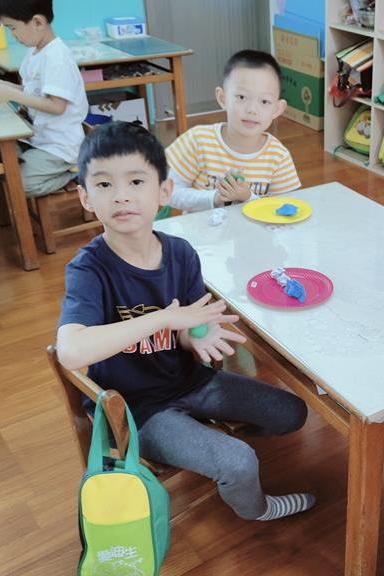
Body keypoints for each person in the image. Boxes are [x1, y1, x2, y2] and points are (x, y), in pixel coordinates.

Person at [57, 121, 315, 521]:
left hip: (190, 381)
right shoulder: (89, 269)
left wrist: (197, 336)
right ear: (85, 197)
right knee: (239, 462)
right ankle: (257, 508)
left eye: (136, 181)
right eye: (104, 184)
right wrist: (164, 318)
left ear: (164, 191)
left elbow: (192, 324)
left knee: (292, 412)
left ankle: (200, 442)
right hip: (138, 411)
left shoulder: (180, 253)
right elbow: (71, 351)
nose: (121, 195)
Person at [166, 50, 301, 213]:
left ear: (277, 109)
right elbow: (168, 191)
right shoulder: (198, 140)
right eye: (242, 97)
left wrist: (247, 197)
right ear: (222, 98)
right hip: (201, 229)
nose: (252, 109)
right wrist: (215, 197)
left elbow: (286, 209)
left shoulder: (278, 156)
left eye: (265, 101)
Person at [0, 0, 88, 199]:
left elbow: (57, 106)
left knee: (19, 184)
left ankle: (78, 173)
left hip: (59, 147)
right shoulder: (35, 51)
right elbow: (32, 91)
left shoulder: (57, 57)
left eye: (13, 28)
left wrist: (12, 94)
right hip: (38, 138)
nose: (12, 35)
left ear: (38, 22)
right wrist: (4, 86)